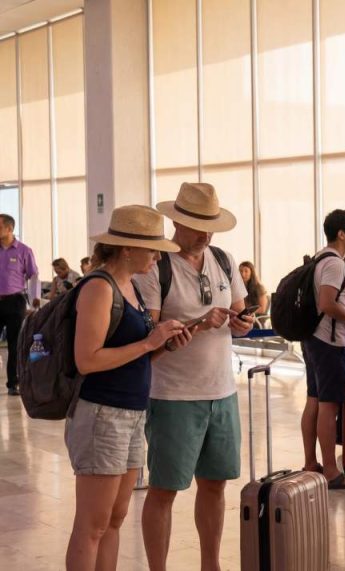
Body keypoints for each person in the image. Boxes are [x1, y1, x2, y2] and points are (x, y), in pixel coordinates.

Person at [137, 182, 254, 571]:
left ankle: (211, 564)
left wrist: (242, 323)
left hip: (221, 392)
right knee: (165, 488)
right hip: (173, 396)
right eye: (198, 225)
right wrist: (199, 324)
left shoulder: (222, 259)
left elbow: (238, 314)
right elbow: (149, 340)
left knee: (216, 483)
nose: (206, 234)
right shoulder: (156, 269)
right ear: (176, 222)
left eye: (211, 226)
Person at [64, 205, 187, 571]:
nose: (157, 256)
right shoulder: (98, 288)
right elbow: (88, 359)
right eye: (153, 249)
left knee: (115, 519)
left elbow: (132, 359)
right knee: (92, 524)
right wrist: (150, 343)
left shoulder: (129, 286)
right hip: (102, 413)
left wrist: (163, 345)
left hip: (132, 412)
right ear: (127, 248)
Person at [297, 210, 345, 489]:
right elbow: (327, 303)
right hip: (328, 341)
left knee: (314, 400)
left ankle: (312, 462)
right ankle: (331, 471)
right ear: (341, 234)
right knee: (328, 405)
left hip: (313, 338)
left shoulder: (319, 257)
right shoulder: (335, 264)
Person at [0, 213, 41, 396]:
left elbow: (33, 276)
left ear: (10, 229)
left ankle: (13, 383)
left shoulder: (24, 250)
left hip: (15, 301)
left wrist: (35, 299)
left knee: (15, 343)